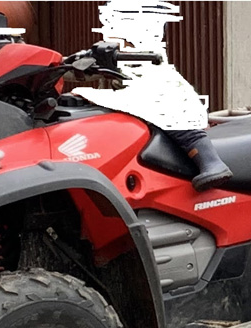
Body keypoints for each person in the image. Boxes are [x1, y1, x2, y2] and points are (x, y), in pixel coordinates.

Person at [72, 1, 233, 192]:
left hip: (170, 104)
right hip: (154, 104)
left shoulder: (146, 60)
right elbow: (86, 68)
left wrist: (90, 93)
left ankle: (212, 164)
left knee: (182, 130)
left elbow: (130, 100)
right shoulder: (115, 52)